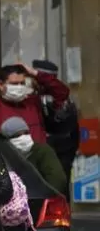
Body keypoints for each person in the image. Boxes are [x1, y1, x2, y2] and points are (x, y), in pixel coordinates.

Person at [0, 63, 70, 145]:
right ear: (1, 85)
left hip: (37, 161)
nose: (19, 87)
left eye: (22, 83)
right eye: (14, 84)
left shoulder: (33, 103)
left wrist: (35, 73)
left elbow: (62, 92)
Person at [33, 59, 79, 198]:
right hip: (45, 145)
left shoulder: (59, 96)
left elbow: (64, 126)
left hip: (61, 147)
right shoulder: (36, 95)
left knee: (59, 184)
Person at [0, 116, 68, 194]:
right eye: (17, 135)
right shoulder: (4, 156)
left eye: (26, 133)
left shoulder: (42, 151)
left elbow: (58, 179)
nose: (23, 137)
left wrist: (44, 197)